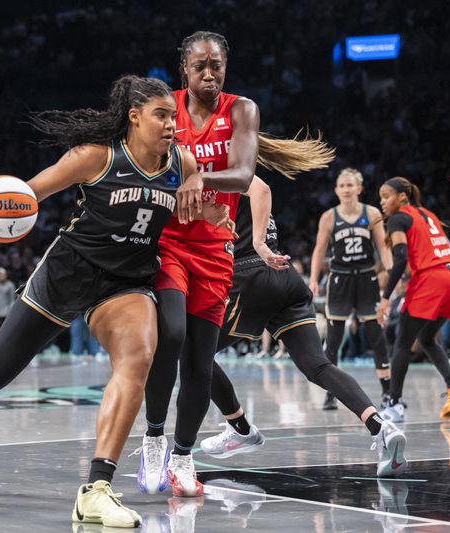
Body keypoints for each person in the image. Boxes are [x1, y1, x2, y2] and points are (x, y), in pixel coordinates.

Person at [0, 75, 229, 529]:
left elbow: (194, 175)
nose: (171, 123)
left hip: (125, 282)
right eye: (161, 115)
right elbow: (27, 193)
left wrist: (200, 193)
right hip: (66, 273)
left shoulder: (181, 161)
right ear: (134, 117)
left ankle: (96, 490)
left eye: (172, 115)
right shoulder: (96, 156)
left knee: (138, 357)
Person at [138, 30, 335, 497]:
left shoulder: (241, 109)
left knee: (201, 362)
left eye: (217, 66)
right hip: (168, 242)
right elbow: (143, 165)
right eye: (200, 65)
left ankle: (183, 459)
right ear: (183, 68)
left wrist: (197, 176)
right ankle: (152, 439)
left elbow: (247, 175)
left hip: (216, 249)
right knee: (171, 335)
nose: (209, 73)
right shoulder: (164, 107)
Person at [195, 177, 407, 479]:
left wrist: (254, 243)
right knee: (317, 365)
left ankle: (240, 428)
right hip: (284, 275)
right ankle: (380, 426)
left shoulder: (228, 173)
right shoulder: (235, 173)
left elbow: (260, 188)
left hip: (252, 273)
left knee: (194, 354)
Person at [376, 177, 450, 423]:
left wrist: (385, 299)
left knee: (402, 343)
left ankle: (394, 404)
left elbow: (400, 260)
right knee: (426, 338)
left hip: (432, 279)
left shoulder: (398, 219)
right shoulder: (428, 214)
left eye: (386, 196)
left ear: (402, 197)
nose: (383, 202)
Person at [308, 168, 393, 410]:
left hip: (367, 278)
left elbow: (383, 249)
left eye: (349, 185)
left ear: (359, 188)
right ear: (336, 190)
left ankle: (387, 393)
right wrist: (313, 278)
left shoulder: (372, 213)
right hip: (340, 279)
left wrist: (392, 273)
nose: (345, 189)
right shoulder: (329, 217)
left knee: (377, 337)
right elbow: (319, 250)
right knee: (334, 340)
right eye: (341, 185)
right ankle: (331, 393)